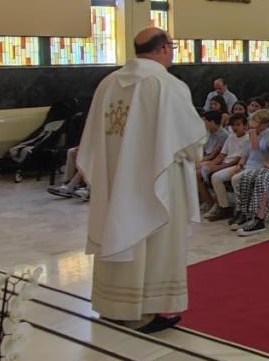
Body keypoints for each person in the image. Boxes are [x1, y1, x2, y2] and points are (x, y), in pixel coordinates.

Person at [78, 27, 203, 333]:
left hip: (115, 179)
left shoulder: (108, 84)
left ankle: (113, 305)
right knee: (154, 241)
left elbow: (91, 141)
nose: (172, 53)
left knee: (118, 231)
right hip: (156, 181)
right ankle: (144, 310)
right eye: (171, 47)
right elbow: (191, 141)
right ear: (162, 49)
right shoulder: (167, 85)